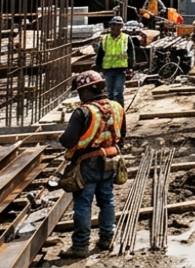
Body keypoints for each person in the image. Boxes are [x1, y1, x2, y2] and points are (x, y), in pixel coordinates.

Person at [57, 70, 126, 258]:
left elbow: (68, 141)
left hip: (87, 164)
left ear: (85, 91)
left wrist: (62, 137)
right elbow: (122, 136)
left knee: (83, 204)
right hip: (110, 160)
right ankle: (107, 238)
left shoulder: (83, 112)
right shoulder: (117, 107)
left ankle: (80, 246)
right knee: (107, 200)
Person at [94, 17, 136, 107]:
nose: (115, 28)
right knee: (110, 94)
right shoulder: (105, 39)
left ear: (121, 27)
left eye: (117, 25)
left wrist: (131, 67)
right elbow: (100, 53)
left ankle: (120, 113)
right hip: (108, 69)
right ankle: (112, 113)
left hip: (121, 70)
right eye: (113, 25)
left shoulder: (126, 38)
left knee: (118, 93)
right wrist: (97, 65)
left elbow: (131, 54)